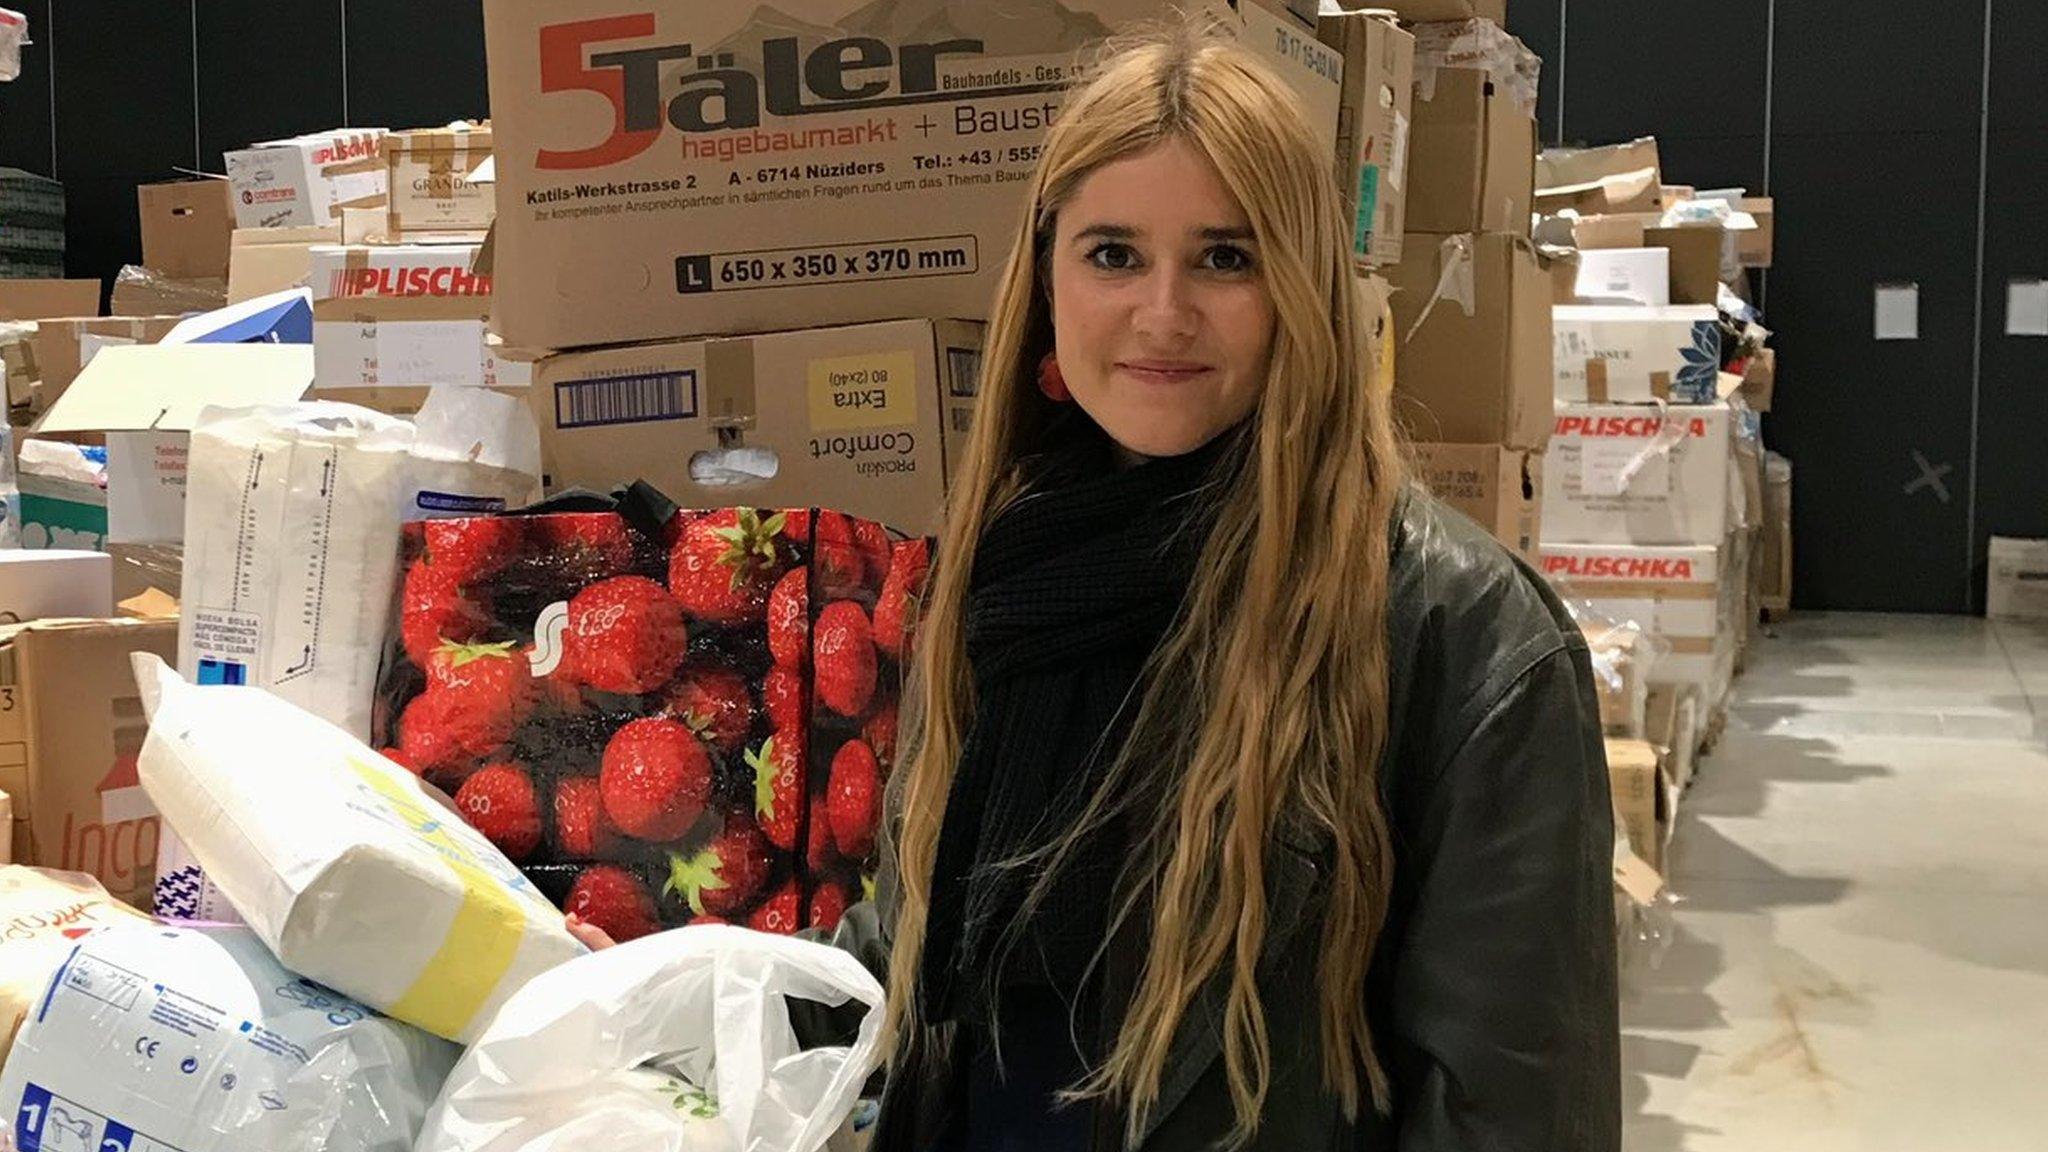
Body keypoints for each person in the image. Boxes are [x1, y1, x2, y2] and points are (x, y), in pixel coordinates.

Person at [569, 22, 1620, 1152]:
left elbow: (1510, 1111)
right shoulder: (1001, 576)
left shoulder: (1462, 641)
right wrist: (678, 1004)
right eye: (1112, 253)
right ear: (1047, 272)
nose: (1161, 313)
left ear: (1302, 286)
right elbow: (926, 942)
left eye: (1226, 256)